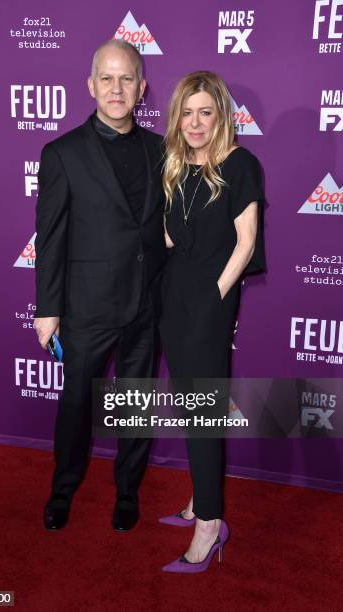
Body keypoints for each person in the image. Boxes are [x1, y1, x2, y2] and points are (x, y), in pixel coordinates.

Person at [33, 39, 166, 532]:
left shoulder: (162, 149)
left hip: (145, 304)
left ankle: (127, 491)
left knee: (135, 403)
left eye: (126, 78)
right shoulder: (61, 154)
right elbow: (49, 240)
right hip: (85, 306)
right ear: (90, 86)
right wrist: (47, 309)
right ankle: (62, 488)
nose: (116, 88)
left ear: (141, 87)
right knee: (75, 407)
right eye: (106, 78)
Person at [158, 71, 265, 572]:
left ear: (221, 114)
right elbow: (170, 240)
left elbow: (246, 241)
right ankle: (200, 503)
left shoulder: (241, 164)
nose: (196, 122)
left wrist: (214, 296)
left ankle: (209, 525)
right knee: (189, 404)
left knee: (202, 413)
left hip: (209, 300)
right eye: (187, 112)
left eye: (206, 111)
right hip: (171, 296)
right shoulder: (176, 165)